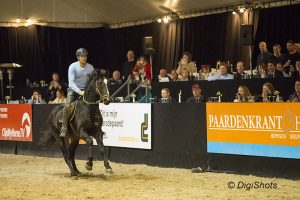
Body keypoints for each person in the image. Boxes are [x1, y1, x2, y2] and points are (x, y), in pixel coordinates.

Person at [60, 48, 94, 137]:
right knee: (67, 106)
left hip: (86, 90)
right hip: (74, 90)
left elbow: (92, 81)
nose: (84, 58)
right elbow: (71, 83)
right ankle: (64, 127)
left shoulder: (90, 67)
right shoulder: (73, 66)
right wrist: (79, 91)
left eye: (85, 56)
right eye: (82, 56)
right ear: (78, 57)